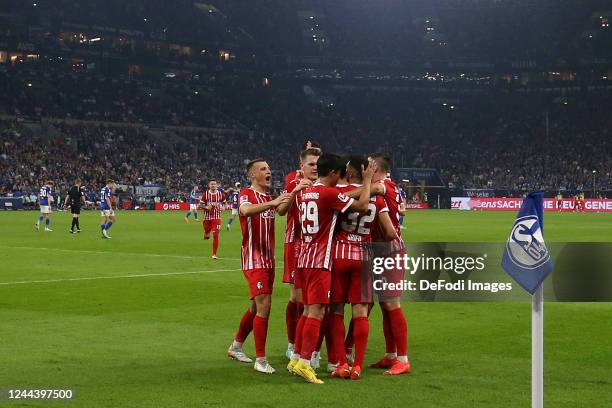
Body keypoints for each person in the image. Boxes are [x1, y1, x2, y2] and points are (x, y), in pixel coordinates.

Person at [288, 153, 375, 385]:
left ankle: (296, 357)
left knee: (307, 311)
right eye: (340, 174)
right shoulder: (329, 193)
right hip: (320, 261)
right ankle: (306, 363)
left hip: (303, 258)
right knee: (316, 313)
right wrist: (367, 182)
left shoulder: (306, 192)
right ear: (335, 173)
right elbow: (363, 205)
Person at [328, 156, 398, 380]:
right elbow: (389, 234)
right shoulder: (377, 198)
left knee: (336, 311)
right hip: (365, 256)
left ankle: (341, 363)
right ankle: (357, 365)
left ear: (349, 172)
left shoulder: (340, 191)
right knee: (361, 313)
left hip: (339, 254)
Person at [227, 159, 293, 374]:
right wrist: (272, 203)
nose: (269, 171)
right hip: (253, 258)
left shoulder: (267, 197)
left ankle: (236, 346)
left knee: (256, 307)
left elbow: (282, 210)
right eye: (263, 169)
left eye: (269, 168)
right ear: (253, 175)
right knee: (264, 304)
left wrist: (295, 190)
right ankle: (261, 360)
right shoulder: (247, 193)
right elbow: (245, 211)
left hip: (268, 259)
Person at [367, 153, 411, 375]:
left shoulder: (385, 186)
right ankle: (391, 355)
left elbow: (373, 191)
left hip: (391, 251)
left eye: (368, 164)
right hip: (379, 251)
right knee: (385, 305)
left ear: (375, 167)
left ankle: (403, 359)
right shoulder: (379, 186)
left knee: (392, 304)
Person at [281, 144, 321, 361]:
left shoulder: (326, 184)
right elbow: (283, 208)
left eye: (318, 164)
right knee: (297, 299)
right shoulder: (293, 181)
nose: (315, 168)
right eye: (311, 164)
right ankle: (292, 342)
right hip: (295, 244)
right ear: (301, 166)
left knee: (316, 300)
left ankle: (311, 346)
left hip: (319, 246)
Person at [200, 180, 226, 259]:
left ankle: (214, 254)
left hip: (217, 217)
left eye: (214, 184)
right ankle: (207, 232)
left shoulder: (221, 194)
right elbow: (200, 205)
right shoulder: (205, 194)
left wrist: (223, 207)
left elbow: (224, 203)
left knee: (215, 235)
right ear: (209, 185)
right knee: (207, 233)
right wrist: (206, 207)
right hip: (207, 217)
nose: (213, 185)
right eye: (212, 184)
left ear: (216, 185)